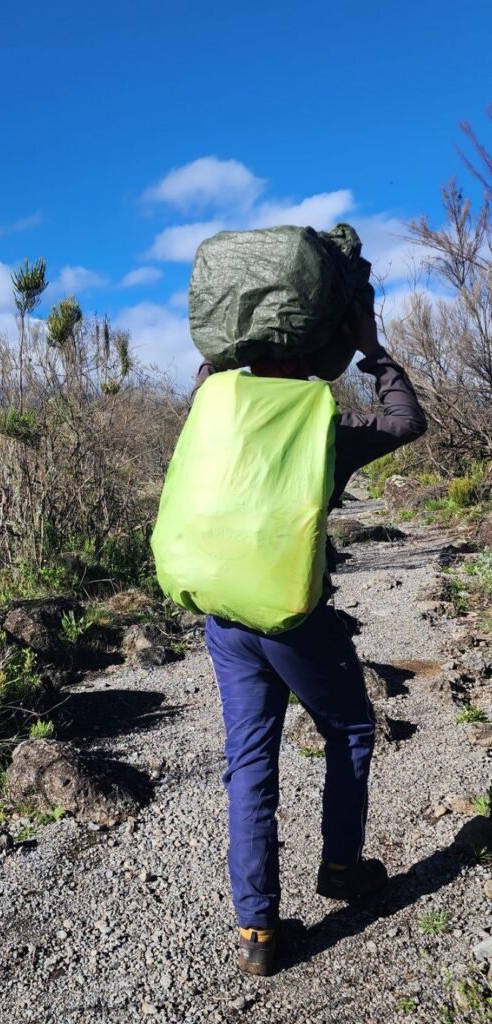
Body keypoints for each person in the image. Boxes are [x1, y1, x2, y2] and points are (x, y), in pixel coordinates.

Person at [194, 308, 427, 977]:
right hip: (296, 618)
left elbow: (207, 381)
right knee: (350, 728)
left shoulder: (213, 417)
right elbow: (405, 420)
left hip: (225, 619)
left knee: (248, 764)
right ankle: (341, 867)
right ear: (317, 357)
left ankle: (256, 931)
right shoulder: (323, 429)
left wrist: (221, 354)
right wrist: (372, 353)